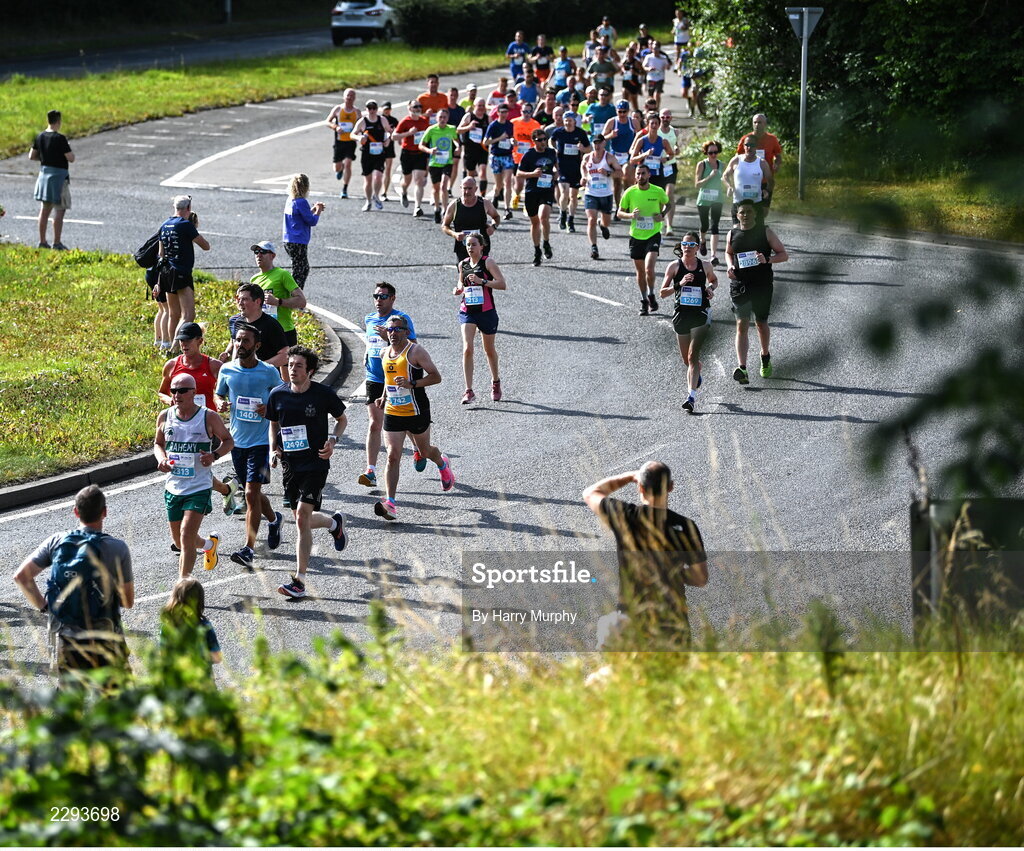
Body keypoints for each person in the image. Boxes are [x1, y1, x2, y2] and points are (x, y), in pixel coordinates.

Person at [583, 462, 708, 650]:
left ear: (640, 487)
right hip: (672, 619)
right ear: (671, 487)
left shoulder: (625, 516)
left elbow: (591, 493)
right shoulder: (686, 526)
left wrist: (629, 477)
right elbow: (700, 578)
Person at [14, 485, 134, 680]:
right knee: (118, 701)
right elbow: (127, 602)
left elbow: (21, 576)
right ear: (105, 512)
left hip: (67, 639)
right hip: (106, 637)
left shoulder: (56, 541)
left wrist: (45, 607)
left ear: (76, 512)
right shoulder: (117, 548)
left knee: (69, 704)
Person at [267, 346, 349, 599]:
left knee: (302, 517)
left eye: (298, 366)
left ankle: (299, 581)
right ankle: (334, 523)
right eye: (290, 365)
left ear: (310, 371)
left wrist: (333, 441)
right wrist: (272, 450)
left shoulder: (322, 394)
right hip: (290, 465)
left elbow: (342, 419)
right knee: (302, 519)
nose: (292, 370)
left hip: (315, 462)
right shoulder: (277, 394)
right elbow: (273, 424)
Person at [215, 323, 285, 569]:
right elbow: (219, 394)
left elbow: (281, 396)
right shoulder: (227, 370)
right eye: (237, 340)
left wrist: (270, 408)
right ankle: (275, 519)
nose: (240, 345)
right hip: (237, 442)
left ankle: (248, 548)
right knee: (252, 492)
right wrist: (220, 403)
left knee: (250, 494)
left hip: (260, 442)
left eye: (246, 341)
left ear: (257, 346)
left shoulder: (268, 372)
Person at [373, 316, 454, 521]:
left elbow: (436, 376)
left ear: (406, 332)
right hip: (393, 411)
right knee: (392, 455)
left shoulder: (416, 352)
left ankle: (442, 464)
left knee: (425, 451)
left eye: (397, 329)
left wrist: (412, 383)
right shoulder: (384, 353)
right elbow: (388, 380)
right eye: (390, 329)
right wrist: (383, 396)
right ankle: (390, 502)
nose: (392, 333)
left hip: (416, 410)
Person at [157, 321, 240, 518]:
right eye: (181, 341)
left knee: (194, 466)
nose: (184, 345)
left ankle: (192, 515)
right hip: (181, 421)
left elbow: (228, 390)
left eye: (188, 341)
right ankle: (226, 490)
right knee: (192, 467)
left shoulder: (213, 365)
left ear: (200, 341)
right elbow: (161, 392)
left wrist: (221, 402)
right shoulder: (172, 365)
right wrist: (171, 399)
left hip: (206, 425)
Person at [154, 373, 234, 578]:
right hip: (173, 486)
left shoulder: (208, 417)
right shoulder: (165, 416)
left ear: (194, 392)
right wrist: (161, 459)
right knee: (180, 541)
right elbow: (158, 444)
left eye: (182, 390)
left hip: (199, 486)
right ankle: (209, 545)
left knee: (186, 536)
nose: (176, 395)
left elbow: (228, 441)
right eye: (173, 390)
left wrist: (214, 455)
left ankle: (183, 586)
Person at [359, 282, 417, 488]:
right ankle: (371, 471)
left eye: (383, 296)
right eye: (376, 296)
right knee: (375, 422)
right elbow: (370, 344)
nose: (378, 300)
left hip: (395, 378)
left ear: (393, 298)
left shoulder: (401, 319)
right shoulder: (369, 318)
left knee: (402, 422)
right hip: (374, 377)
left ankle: (418, 448)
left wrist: (389, 338)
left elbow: (414, 347)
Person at [726, 200, 789, 384]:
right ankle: (742, 368)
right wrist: (730, 266)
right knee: (741, 325)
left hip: (761, 285)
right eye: (741, 212)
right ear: (737, 215)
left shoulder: (765, 232)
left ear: (755, 214)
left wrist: (767, 259)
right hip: (740, 285)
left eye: (748, 212)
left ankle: (765, 356)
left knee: (760, 324)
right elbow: (729, 252)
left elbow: (783, 255)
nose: (745, 215)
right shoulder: (732, 233)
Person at [659, 234, 719, 414]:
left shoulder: (705, 265)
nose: (687, 247)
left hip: (700, 314)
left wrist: (710, 288)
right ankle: (696, 372)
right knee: (687, 360)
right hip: (681, 315)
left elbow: (714, 280)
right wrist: (680, 283)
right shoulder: (674, 266)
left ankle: (690, 398)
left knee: (693, 356)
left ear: (697, 247)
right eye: (684, 244)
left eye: (691, 244)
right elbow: (662, 293)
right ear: (681, 246)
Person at [455, 233, 507, 404]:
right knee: (467, 348)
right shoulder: (462, 264)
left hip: (486, 312)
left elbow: (502, 284)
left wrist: (482, 281)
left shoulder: (487, 262)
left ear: (481, 246)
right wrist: (458, 289)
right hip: (467, 311)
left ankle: (495, 382)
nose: (470, 248)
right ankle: (468, 390)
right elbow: (461, 283)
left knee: (489, 350)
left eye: (473, 244)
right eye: (468, 245)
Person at [158, 195, 211, 350]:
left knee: (173, 313)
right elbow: (205, 246)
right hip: (181, 271)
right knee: (188, 315)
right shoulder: (185, 225)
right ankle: (175, 348)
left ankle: (167, 345)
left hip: (166, 272)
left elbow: (161, 254)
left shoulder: (164, 225)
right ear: (188, 208)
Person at [617, 163, 669, 315]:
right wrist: (631, 215)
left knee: (649, 268)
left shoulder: (657, 191)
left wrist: (662, 215)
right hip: (636, 236)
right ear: (635, 176)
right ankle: (644, 300)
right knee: (640, 272)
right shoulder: (630, 192)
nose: (640, 176)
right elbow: (620, 212)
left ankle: (652, 293)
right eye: (638, 174)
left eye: (643, 173)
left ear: (649, 175)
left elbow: (669, 204)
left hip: (653, 234)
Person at [248, 240, 307, 355]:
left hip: (284, 331)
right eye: (256, 252)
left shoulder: (282, 274)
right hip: (263, 332)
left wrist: (278, 301)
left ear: (272, 256)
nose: (259, 255)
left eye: (263, 252)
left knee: (286, 370)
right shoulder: (254, 279)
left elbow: (301, 301)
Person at [220, 281, 289, 373]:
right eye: (239, 299)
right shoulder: (237, 322)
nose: (240, 303)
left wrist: (258, 368)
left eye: (244, 299)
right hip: (241, 375)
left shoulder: (271, 325)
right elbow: (235, 347)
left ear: (257, 301)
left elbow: (285, 355)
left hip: (264, 378)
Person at [29, 109, 74, 250]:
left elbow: (32, 156)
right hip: (59, 177)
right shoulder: (60, 138)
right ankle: (57, 242)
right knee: (59, 211)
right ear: (58, 121)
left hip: (44, 176)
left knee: (44, 210)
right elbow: (71, 158)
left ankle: (42, 241)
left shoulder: (40, 137)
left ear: (48, 120)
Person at [160, 577, 222, 677]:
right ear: (200, 602)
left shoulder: (167, 628)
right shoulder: (205, 626)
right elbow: (217, 657)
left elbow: (164, 656)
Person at [518, 130, 558, 266]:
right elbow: (518, 173)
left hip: (546, 190)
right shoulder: (529, 154)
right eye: (540, 140)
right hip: (532, 191)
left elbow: (556, 167)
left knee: (543, 217)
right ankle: (537, 250)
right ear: (534, 141)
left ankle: (546, 242)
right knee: (535, 223)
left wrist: (555, 173)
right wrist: (532, 174)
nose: (543, 142)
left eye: (544, 139)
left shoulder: (551, 152)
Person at [442, 176, 501, 263]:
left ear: (476, 188)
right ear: (460, 188)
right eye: (465, 188)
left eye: (470, 188)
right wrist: (454, 234)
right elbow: (445, 226)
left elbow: (496, 217)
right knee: (465, 275)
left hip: (481, 248)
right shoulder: (454, 205)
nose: (467, 191)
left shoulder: (484, 203)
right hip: (463, 248)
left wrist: (493, 227)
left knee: (481, 275)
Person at [550, 110, 592, 233]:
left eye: (570, 120)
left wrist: (583, 148)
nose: (568, 122)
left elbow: (589, 148)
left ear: (575, 121)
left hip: (576, 167)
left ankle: (571, 219)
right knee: (564, 192)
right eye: (566, 120)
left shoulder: (580, 133)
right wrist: (554, 148)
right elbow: (551, 140)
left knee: (573, 196)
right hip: (562, 166)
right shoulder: (559, 132)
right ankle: (562, 214)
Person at [581, 134, 622, 259]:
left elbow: (620, 172)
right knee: (591, 219)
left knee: (606, 221)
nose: (597, 146)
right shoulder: (587, 157)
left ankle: (603, 225)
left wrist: (608, 172)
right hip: (590, 193)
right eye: (595, 143)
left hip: (606, 194)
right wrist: (583, 176)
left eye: (599, 143)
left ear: (604, 143)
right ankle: (594, 247)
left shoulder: (609, 157)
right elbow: (583, 167)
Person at [736, 114, 783, 219]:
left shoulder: (772, 139)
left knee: (764, 210)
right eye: (755, 122)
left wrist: (777, 163)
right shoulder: (746, 139)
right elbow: (737, 157)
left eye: (760, 122)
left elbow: (778, 156)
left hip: (765, 180)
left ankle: (758, 225)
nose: (757, 125)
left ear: (765, 124)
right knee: (749, 208)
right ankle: (751, 229)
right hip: (749, 180)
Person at [282, 174, 324, 289]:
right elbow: (311, 221)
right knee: (301, 269)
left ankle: (293, 294)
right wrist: (318, 211)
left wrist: (312, 210)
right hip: (298, 240)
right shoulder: (301, 202)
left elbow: (300, 216)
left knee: (298, 267)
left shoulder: (290, 200)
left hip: (288, 239)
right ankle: (295, 294)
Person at [419, 107, 459, 224]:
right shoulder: (431, 130)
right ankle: (437, 208)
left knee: (443, 185)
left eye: (444, 117)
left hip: (447, 162)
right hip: (434, 163)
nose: (442, 119)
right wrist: (430, 150)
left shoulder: (451, 129)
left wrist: (457, 146)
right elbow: (421, 145)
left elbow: (456, 140)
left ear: (448, 118)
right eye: (440, 117)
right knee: (436, 188)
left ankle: (445, 210)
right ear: (436, 118)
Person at [723, 136, 774, 224]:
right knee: (737, 233)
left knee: (757, 233)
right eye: (747, 145)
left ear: (756, 147)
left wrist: (767, 191)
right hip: (738, 203)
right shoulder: (736, 160)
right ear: (743, 146)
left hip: (755, 203)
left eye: (752, 145)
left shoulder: (762, 163)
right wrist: (729, 186)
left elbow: (771, 181)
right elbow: (725, 176)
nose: (749, 148)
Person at [394, 99, 430, 216]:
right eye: (415, 107)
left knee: (419, 181)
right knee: (406, 180)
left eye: (420, 106)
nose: (418, 109)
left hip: (420, 154)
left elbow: (429, 136)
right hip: (407, 154)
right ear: (409, 108)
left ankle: (417, 207)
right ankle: (404, 192)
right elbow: (394, 137)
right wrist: (408, 133)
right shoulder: (405, 121)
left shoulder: (424, 121)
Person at [353, 100, 389, 211]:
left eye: (374, 108)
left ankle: (376, 195)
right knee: (368, 180)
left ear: (377, 109)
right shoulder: (362, 121)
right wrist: (359, 138)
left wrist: (388, 139)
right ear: (366, 109)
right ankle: (368, 201)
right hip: (367, 154)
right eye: (369, 108)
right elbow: (352, 134)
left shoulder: (382, 120)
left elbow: (390, 131)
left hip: (379, 153)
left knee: (378, 177)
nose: (372, 110)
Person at [603, 100, 639, 208]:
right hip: (615, 156)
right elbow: (602, 138)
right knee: (617, 184)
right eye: (620, 112)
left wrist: (635, 149)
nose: (622, 114)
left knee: (627, 179)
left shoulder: (633, 122)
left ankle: (627, 204)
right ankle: (619, 207)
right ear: (616, 111)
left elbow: (640, 137)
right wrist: (611, 135)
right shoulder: (612, 122)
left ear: (628, 111)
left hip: (628, 155)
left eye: (624, 112)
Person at [483, 104, 516, 220]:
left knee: (508, 182)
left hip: (507, 156)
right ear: (497, 113)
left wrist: (512, 141)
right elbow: (486, 142)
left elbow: (511, 137)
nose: (503, 114)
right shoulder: (493, 125)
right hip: (496, 156)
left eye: (505, 112)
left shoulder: (510, 125)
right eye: (501, 112)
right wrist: (499, 138)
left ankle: (507, 209)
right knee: (499, 184)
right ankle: (496, 196)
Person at [694, 140, 725, 265]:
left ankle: (713, 255)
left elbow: (725, 179)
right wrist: (710, 176)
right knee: (705, 225)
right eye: (711, 152)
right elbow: (697, 184)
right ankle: (702, 240)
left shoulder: (722, 165)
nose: (713, 155)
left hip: (718, 198)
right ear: (706, 153)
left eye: (716, 152)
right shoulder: (702, 164)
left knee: (715, 225)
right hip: (704, 199)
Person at [326, 88, 359, 198]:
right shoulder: (338, 109)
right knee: (337, 167)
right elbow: (327, 121)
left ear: (354, 98)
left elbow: (363, 125)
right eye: (347, 96)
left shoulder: (357, 112)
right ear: (343, 97)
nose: (349, 98)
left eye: (351, 96)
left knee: (349, 163)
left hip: (351, 142)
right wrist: (336, 127)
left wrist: (359, 134)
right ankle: (341, 168)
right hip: (339, 142)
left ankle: (344, 189)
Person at [457, 99, 491, 201]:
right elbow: (458, 130)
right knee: (470, 175)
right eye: (479, 105)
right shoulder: (469, 116)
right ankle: (467, 196)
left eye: (482, 105)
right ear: (474, 106)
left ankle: (482, 198)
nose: (481, 108)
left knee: (483, 171)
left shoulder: (487, 118)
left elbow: (492, 131)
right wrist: (469, 127)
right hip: (470, 149)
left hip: (482, 149)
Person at [510, 101, 541, 208]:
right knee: (519, 183)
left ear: (532, 112)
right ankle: (517, 194)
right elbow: (508, 136)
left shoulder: (535, 124)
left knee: (530, 183)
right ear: (520, 111)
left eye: (528, 111)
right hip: (517, 157)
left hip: (530, 157)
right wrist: (511, 141)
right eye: (524, 111)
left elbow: (539, 140)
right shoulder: (514, 122)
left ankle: (528, 204)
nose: (526, 114)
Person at [657, 109, 680, 236]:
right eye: (663, 117)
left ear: (671, 118)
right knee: (660, 196)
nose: (665, 119)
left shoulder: (675, 131)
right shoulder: (656, 131)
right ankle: (660, 223)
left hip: (671, 165)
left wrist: (676, 149)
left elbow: (677, 147)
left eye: (667, 117)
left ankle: (670, 225)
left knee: (669, 193)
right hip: (658, 166)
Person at [380, 101, 400, 202]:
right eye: (385, 109)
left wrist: (399, 140)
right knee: (378, 171)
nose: (387, 111)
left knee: (387, 170)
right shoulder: (378, 119)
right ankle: (376, 191)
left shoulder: (394, 120)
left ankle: (384, 192)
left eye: (388, 109)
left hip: (389, 148)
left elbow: (398, 131)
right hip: (379, 148)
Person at [642, 40, 672, 108]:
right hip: (651, 78)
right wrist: (649, 69)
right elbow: (644, 66)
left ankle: (657, 108)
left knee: (657, 94)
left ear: (659, 48)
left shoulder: (663, 58)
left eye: (656, 48)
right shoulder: (649, 57)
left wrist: (666, 67)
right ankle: (649, 108)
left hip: (660, 78)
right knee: (651, 96)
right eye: (653, 48)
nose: (655, 50)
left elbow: (668, 67)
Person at [619, 43, 644, 112]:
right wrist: (622, 71)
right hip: (626, 82)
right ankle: (624, 114)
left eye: (630, 53)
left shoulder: (636, 62)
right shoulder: (624, 61)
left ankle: (637, 115)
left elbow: (643, 72)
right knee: (624, 101)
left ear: (633, 54)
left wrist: (635, 73)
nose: (629, 55)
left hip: (634, 83)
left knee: (634, 101)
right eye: (627, 53)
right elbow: (620, 72)